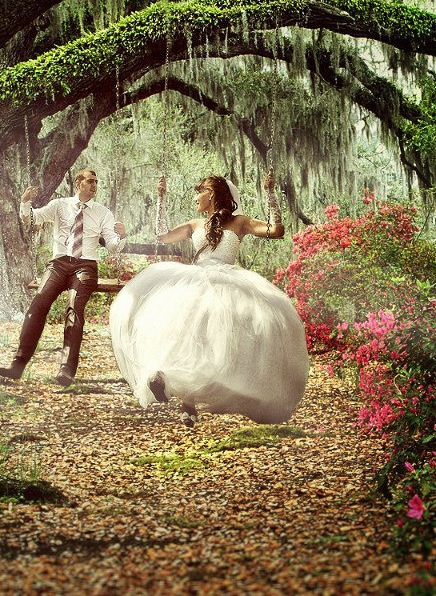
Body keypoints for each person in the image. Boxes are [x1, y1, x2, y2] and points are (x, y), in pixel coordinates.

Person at [109, 171, 308, 426]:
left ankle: (199, 395)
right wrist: (161, 197)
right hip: (196, 279)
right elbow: (163, 236)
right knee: (184, 331)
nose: (195, 198)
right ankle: (177, 393)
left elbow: (276, 230)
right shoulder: (194, 225)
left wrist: (270, 193)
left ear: (211, 194)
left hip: (229, 282)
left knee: (217, 336)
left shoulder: (239, 222)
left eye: (198, 192)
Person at [0, 167, 126, 387]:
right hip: (59, 263)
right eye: (90, 181)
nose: (95, 185)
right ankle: (17, 364)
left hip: (85, 266)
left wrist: (122, 235)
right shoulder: (60, 205)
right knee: (38, 303)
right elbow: (32, 219)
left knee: (74, 308)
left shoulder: (103, 212)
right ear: (78, 183)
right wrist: (25, 202)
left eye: (96, 182)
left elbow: (113, 247)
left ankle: (66, 370)